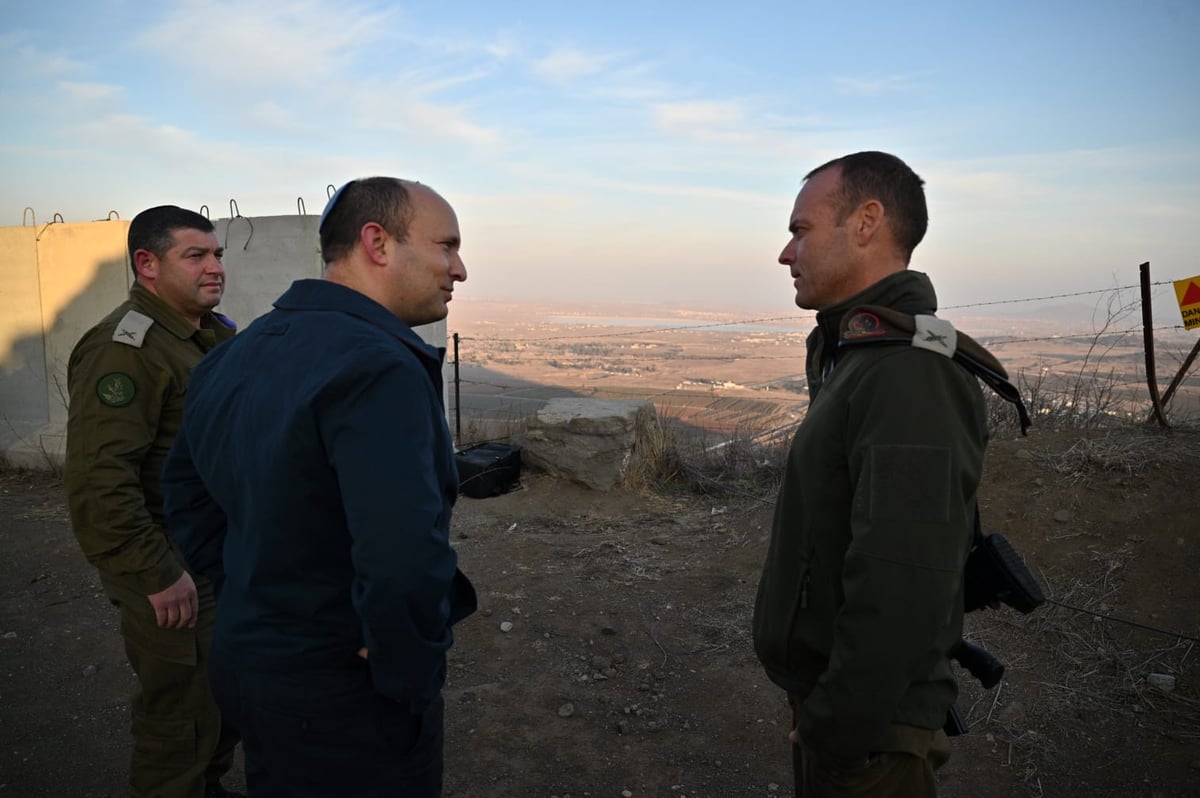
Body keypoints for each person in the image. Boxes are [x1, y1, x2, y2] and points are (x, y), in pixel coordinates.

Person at [161, 177, 478, 797]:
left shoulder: (234, 352)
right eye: (446, 246)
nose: (459, 269)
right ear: (377, 243)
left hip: (251, 665)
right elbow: (403, 556)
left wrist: (253, 598)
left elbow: (186, 497)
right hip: (341, 694)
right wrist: (406, 670)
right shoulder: (378, 365)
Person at [752, 151, 991, 796]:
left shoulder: (911, 372)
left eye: (801, 229)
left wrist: (838, 725)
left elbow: (904, 578)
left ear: (866, 223)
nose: (785, 252)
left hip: (871, 734)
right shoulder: (860, 352)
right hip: (846, 709)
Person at [63, 205, 241, 798]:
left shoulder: (205, 334)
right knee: (182, 723)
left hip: (215, 556)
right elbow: (99, 481)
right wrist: (157, 575)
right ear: (148, 264)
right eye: (196, 255)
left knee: (221, 703)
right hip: (172, 566)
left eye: (216, 254)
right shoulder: (126, 350)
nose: (215, 267)